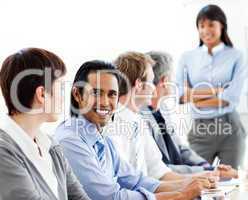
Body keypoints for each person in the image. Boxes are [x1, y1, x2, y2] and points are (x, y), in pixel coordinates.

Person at [54, 60, 209, 200]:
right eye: (96, 93)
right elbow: (109, 197)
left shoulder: (102, 139)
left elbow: (137, 180)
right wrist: (181, 195)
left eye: (111, 94)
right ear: (77, 94)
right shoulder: (70, 140)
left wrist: (192, 185)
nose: (105, 102)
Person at [108, 51, 218, 181]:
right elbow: (127, 183)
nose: (154, 89)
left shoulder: (137, 120)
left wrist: (200, 179)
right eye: (150, 81)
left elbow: (159, 171)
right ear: (138, 84)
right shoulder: (112, 125)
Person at [0, 48, 90, 200]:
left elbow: (79, 197)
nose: (64, 97)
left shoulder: (51, 146)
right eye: (61, 88)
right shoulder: (4, 153)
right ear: (42, 94)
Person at [141, 51, 238, 179]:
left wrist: (207, 167)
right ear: (165, 80)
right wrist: (208, 172)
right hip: (167, 182)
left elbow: (179, 148)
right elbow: (160, 169)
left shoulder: (162, 108)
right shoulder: (141, 117)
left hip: (181, 179)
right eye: (173, 75)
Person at [176, 4, 248, 169]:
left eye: (211, 24)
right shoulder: (187, 58)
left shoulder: (237, 56)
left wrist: (195, 98)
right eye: (201, 25)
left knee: (231, 182)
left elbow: (231, 98)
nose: (205, 30)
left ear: (221, 25)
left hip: (230, 129)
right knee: (198, 180)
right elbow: (180, 95)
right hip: (200, 129)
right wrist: (217, 92)